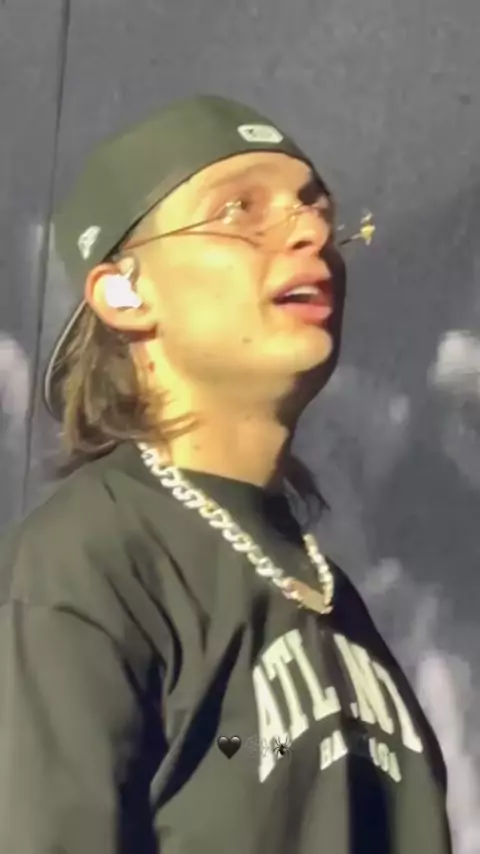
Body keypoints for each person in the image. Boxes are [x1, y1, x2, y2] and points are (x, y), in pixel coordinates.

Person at [0, 94, 452, 854]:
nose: (311, 230)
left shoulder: (331, 593)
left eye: (317, 209)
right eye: (239, 210)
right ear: (124, 292)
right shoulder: (86, 561)